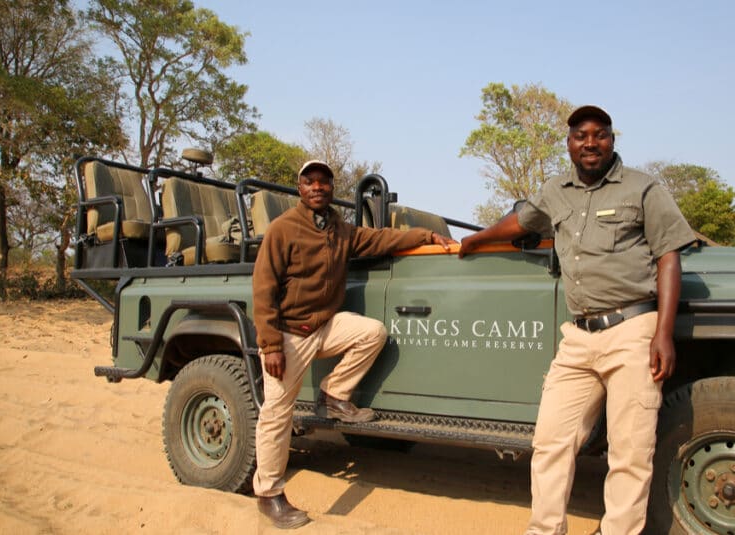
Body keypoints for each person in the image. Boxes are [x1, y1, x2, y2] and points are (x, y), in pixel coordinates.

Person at [458, 106, 695, 534]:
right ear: (569, 143)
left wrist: (663, 332)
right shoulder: (556, 190)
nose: (590, 143)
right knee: (550, 441)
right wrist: (476, 238)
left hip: (634, 330)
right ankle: (545, 529)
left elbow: (669, 256)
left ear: (612, 140)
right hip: (579, 336)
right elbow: (521, 221)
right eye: (581, 135)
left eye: (599, 135)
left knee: (629, 451)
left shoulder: (642, 188)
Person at [252, 160, 454, 529]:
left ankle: (333, 394)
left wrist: (426, 237)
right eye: (309, 182)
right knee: (276, 414)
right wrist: (270, 346)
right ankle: (268, 494)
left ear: (331, 188)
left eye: (324, 182)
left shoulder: (340, 230)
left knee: (372, 333)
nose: (317, 187)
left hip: (324, 326)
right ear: (300, 188)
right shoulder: (282, 229)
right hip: (289, 334)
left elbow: (381, 240)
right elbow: (263, 290)